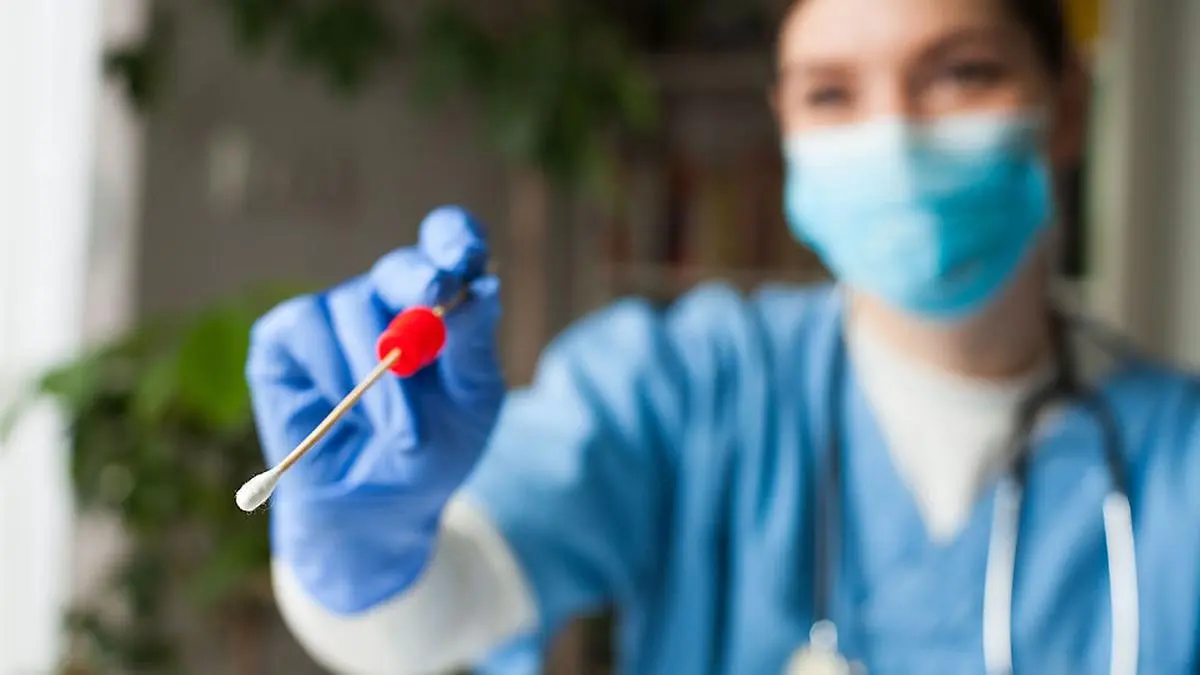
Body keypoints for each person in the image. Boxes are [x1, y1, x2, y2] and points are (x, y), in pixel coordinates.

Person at [245, 0, 1200, 672]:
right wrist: (367, 553)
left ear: (1066, 108)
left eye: (960, 73)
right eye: (832, 94)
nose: (895, 137)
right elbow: (446, 608)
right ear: (783, 124)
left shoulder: (1180, 465)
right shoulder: (686, 384)